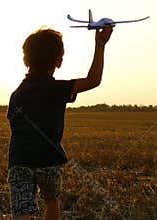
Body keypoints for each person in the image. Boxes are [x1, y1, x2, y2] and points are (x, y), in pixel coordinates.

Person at [7, 26, 113, 219]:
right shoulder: (57, 89)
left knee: (23, 211)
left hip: (19, 160)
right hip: (49, 159)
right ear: (59, 61)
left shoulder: (16, 95)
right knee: (51, 200)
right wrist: (100, 45)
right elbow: (94, 80)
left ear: (25, 60)